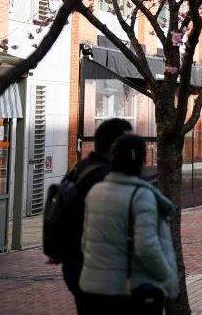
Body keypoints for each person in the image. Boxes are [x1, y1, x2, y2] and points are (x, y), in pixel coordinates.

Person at [80, 134, 179, 313]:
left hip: (93, 290)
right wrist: (167, 276)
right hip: (129, 291)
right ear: (141, 160)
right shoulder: (141, 196)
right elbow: (147, 247)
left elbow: (85, 242)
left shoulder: (95, 192)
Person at [47, 118, 131, 314]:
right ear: (115, 146)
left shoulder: (79, 168)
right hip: (98, 269)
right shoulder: (105, 176)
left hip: (75, 265)